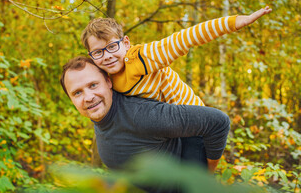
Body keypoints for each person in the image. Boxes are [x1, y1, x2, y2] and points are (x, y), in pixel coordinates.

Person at [60, 57, 231, 177]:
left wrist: (204, 178)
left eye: (93, 85)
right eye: (77, 92)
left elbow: (218, 122)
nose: (88, 96)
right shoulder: (103, 118)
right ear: (71, 99)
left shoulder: (142, 115)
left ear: (108, 82)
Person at [81, 6, 272, 106]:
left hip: (192, 115)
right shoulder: (101, 76)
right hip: (165, 127)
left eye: (112, 47)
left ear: (126, 43)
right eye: (98, 52)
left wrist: (236, 22)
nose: (106, 56)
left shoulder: (141, 57)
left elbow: (186, 37)